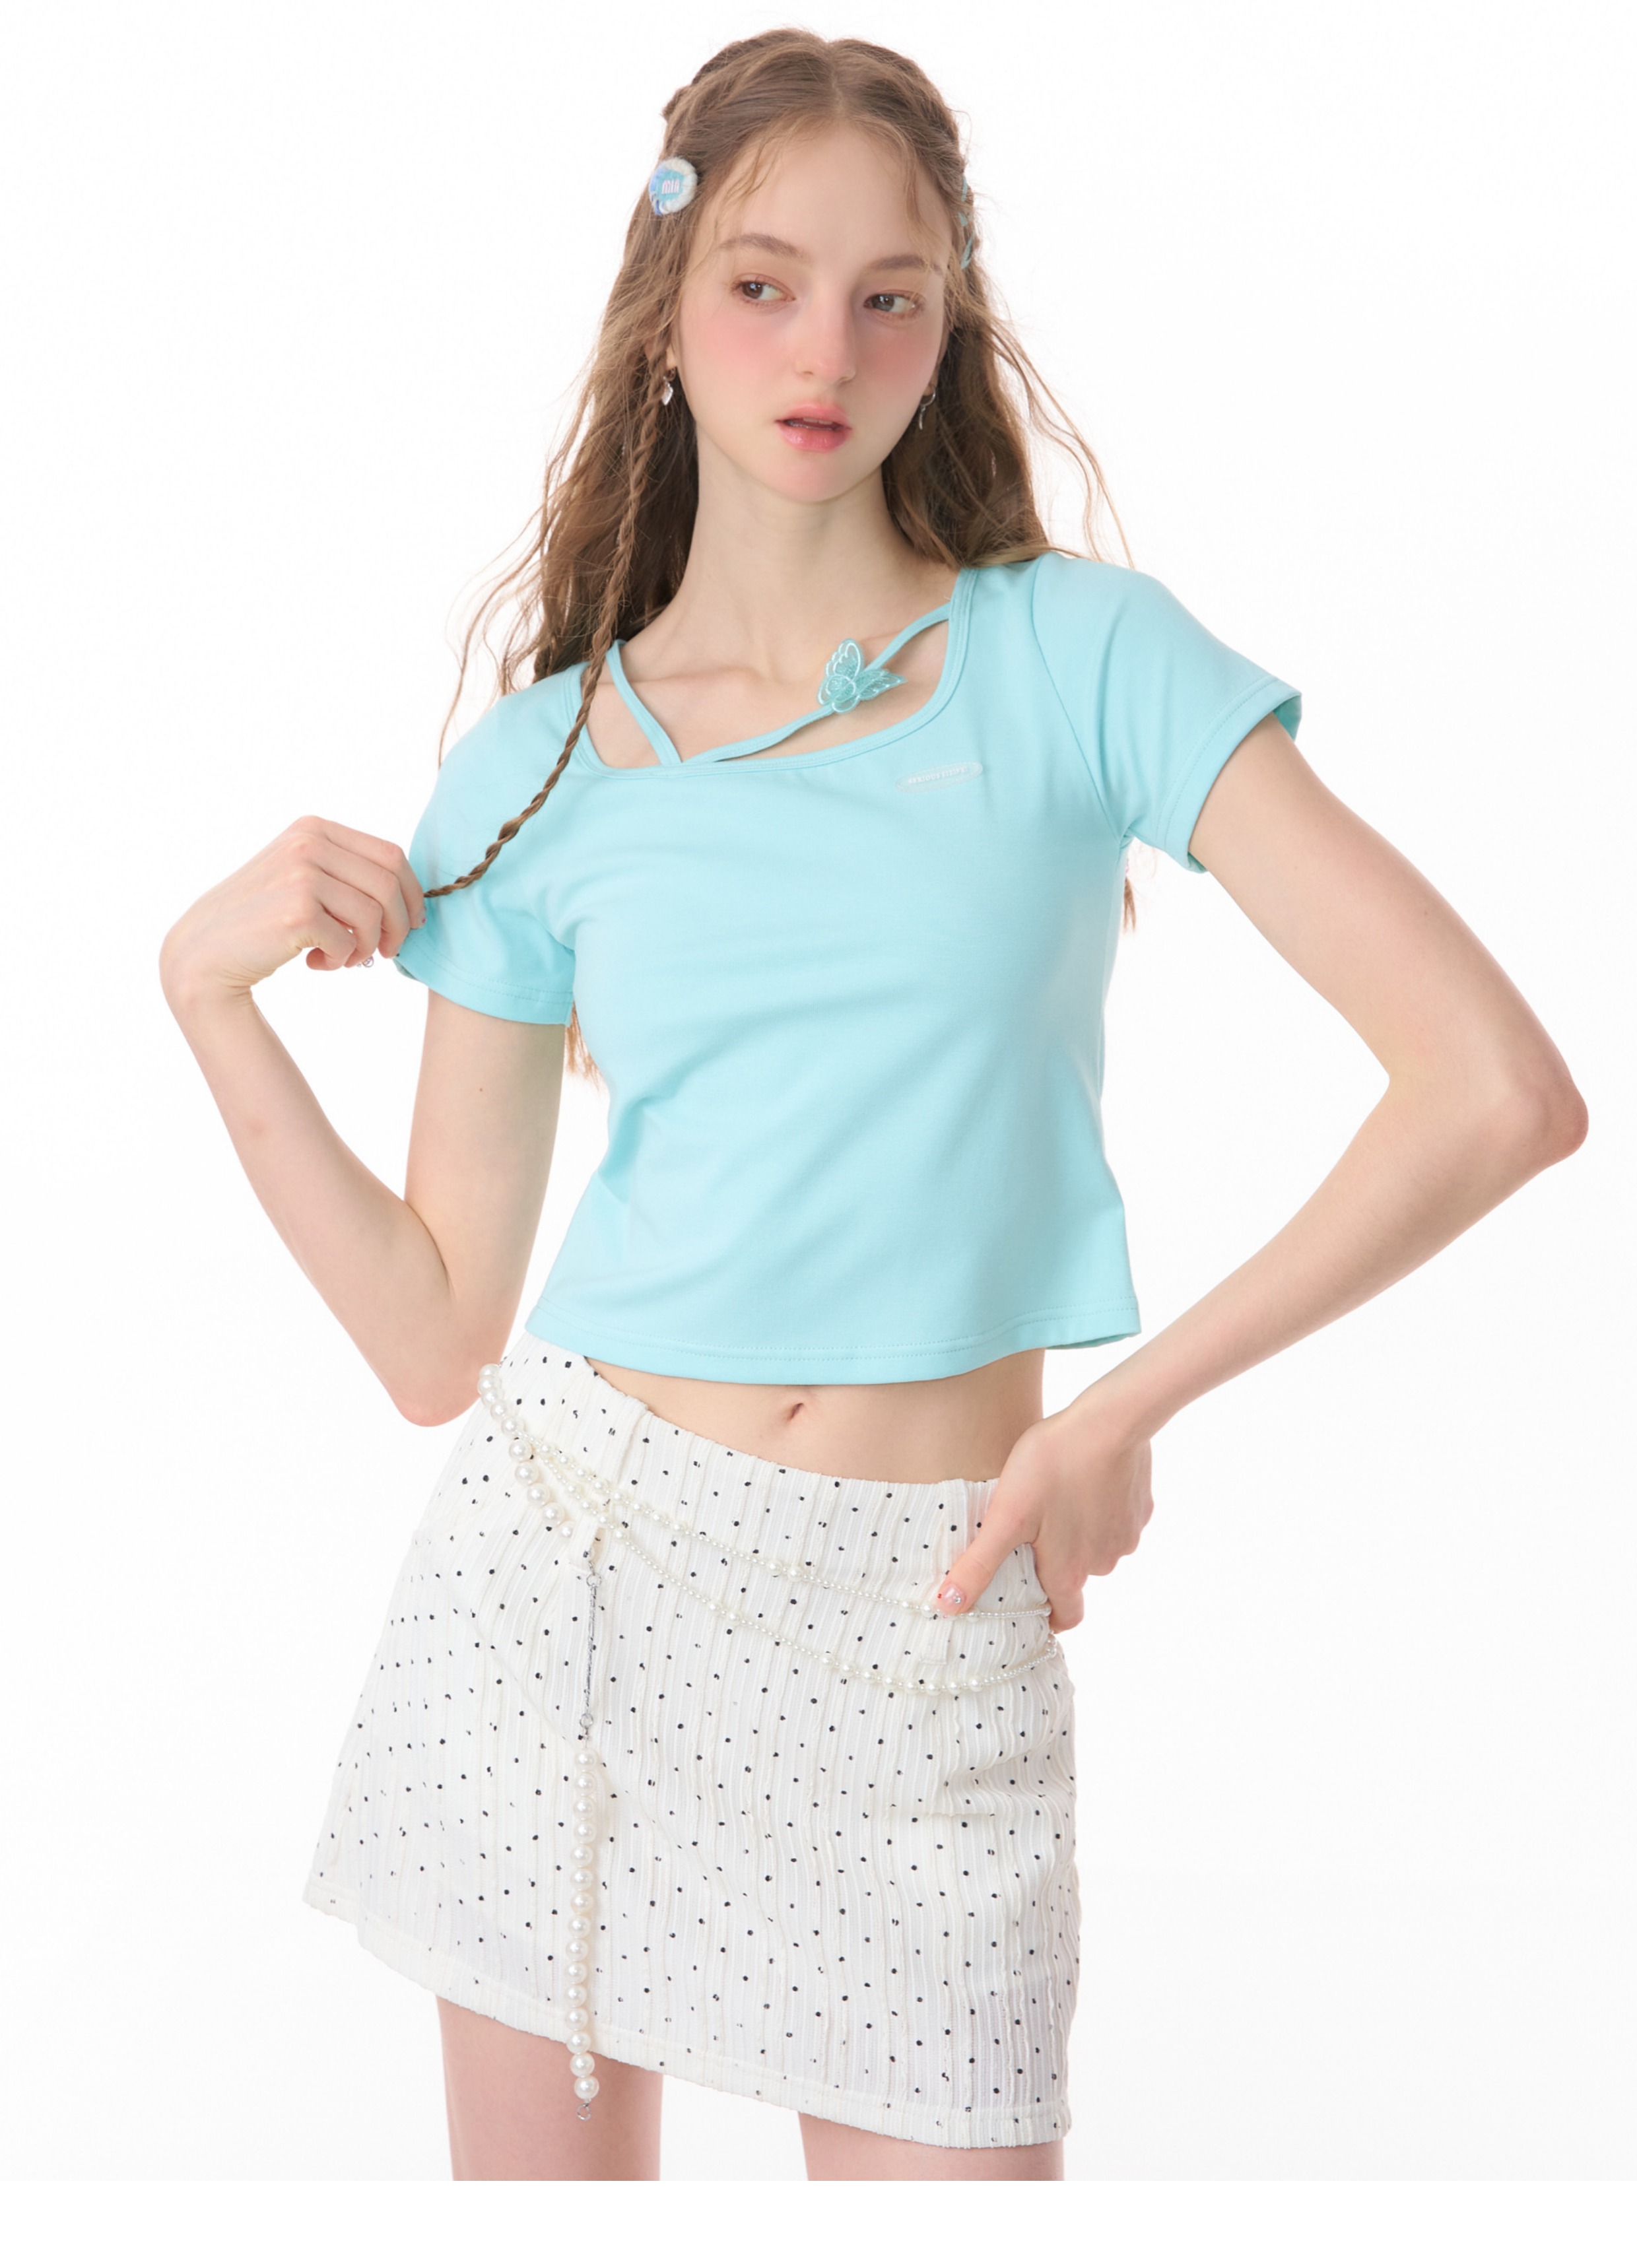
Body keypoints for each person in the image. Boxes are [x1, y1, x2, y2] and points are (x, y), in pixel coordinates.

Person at [158, 29, 1586, 2185]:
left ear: (947, 324)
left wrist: (1117, 1412)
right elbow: (437, 1338)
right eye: (764, 284)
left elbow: (1495, 1091)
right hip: (573, 1604)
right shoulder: (537, 771)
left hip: (930, 1613)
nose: (824, 347)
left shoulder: (1084, 657)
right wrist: (209, 1000)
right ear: (665, 312)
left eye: (886, 295)